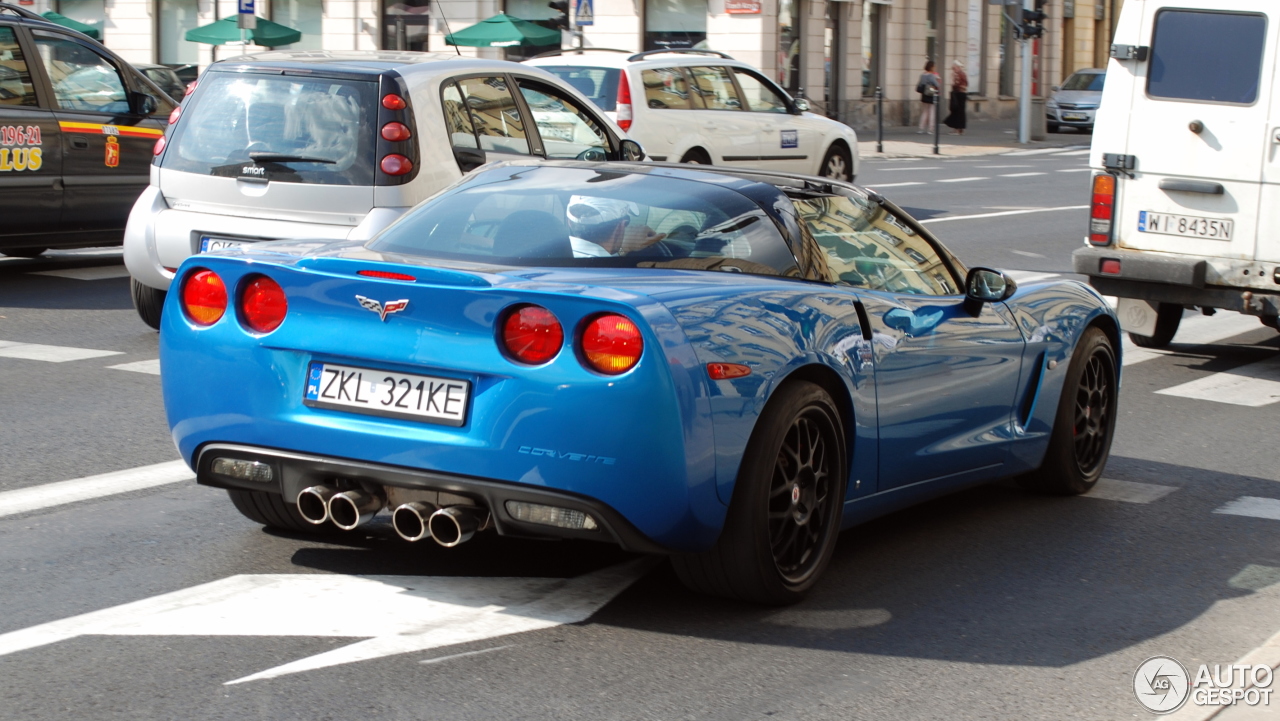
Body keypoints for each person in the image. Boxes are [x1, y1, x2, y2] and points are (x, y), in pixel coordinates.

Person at [566, 195, 666, 258]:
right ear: (621, 227)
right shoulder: (608, 271)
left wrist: (623, 248)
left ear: (569, 222)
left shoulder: (556, 256)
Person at [944, 60, 969, 135]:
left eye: (954, 67)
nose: (953, 69)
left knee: (956, 111)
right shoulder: (963, 74)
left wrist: (952, 78)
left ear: (957, 67)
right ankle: (959, 129)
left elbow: (955, 84)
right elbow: (966, 83)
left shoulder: (957, 74)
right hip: (962, 94)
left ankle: (957, 129)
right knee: (960, 112)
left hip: (958, 94)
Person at [916, 61, 940, 134]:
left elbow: (920, 84)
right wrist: (937, 79)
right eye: (934, 66)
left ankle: (921, 128)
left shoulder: (922, 75)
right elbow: (937, 85)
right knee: (932, 111)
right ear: (931, 67)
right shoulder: (931, 76)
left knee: (924, 111)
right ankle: (930, 128)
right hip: (931, 94)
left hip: (924, 95)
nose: (935, 68)